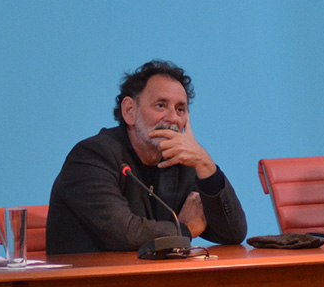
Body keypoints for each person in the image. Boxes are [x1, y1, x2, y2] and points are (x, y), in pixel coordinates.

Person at [46, 60, 247, 254]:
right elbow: (124, 233)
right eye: (161, 106)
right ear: (130, 111)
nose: (173, 118)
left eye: (180, 109)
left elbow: (232, 233)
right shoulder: (91, 157)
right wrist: (185, 229)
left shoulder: (180, 160)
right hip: (88, 276)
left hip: (154, 276)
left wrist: (205, 164)